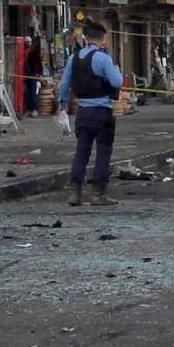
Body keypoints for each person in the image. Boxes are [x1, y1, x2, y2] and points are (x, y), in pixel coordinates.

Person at [60, 20, 124, 207]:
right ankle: (98, 194)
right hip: (102, 112)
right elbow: (117, 82)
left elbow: (64, 84)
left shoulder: (74, 58)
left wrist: (62, 104)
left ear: (86, 38)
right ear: (103, 39)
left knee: (81, 152)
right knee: (103, 152)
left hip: (83, 112)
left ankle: (75, 193)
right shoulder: (103, 58)